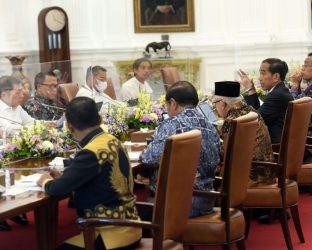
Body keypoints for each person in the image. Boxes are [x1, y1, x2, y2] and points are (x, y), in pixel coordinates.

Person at [37, 97, 141, 250]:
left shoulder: (90, 152)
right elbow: (98, 182)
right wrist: (65, 178)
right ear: (100, 118)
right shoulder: (113, 140)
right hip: (131, 228)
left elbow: (57, 190)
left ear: (69, 125)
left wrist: (45, 180)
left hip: (109, 236)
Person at [140, 81, 220, 217]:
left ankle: (159, 237)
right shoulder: (210, 126)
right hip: (206, 199)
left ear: (173, 103)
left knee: (134, 212)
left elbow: (148, 158)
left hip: (176, 203)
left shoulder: (171, 125)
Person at [213, 81, 275, 184]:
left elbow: (224, 156)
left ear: (222, 103)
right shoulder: (251, 111)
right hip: (267, 173)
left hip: (248, 178)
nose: (215, 108)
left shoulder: (231, 121)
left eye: (215, 104)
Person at [0, 76, 33, 231]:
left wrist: (49, 124)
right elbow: (10, 130)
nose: (23, 95)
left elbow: (30, 123)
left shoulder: (17, 107)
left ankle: (16, 206)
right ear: (4, 94)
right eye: (18, 91)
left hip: (14, 150)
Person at [238, 58, 293, 144]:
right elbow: (258, 114)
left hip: (274, 146)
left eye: (263, 73)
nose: (259, 78)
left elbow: (255, 120)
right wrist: (251, 89)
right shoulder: (280, 91)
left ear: (276, 77)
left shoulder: (277, 95)